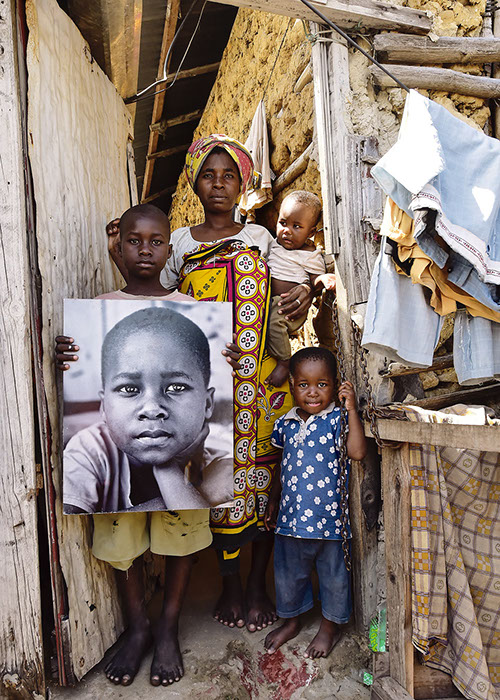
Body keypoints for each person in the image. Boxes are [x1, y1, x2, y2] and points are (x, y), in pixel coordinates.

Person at [105, 135, 315, 633]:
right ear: (195, 183)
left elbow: (286, 293)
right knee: (219, 487)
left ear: (243, 184)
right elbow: (159, 301)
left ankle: (257, 584)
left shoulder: (261, 237)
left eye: (229, 176)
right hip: (211, 388)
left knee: (264, 484)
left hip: (263, 383)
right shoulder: (178, 242)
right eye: (208, 175)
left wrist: (308, 293)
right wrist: (118, 264)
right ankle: (231, 584)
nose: (218, 184)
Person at [56, 203, 241, 687]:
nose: (152, 408)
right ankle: (138, 627)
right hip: (119, 477)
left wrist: (227, 360)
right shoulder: (100, 306)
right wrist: (66, 354)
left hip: (188, 469)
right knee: (122, 541)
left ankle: (167, 627)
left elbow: (216, 482)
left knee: (182, 536)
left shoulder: (191, 310)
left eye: (156, 241)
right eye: (134, 241)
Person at [63, 305, 234, 513]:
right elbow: (70, 531)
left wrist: (166, 470)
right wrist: (201, 492)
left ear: (207, 404)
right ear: (104, 406)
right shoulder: (89, 449)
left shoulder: (223, 472)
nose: (152, 409)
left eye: (176, 387)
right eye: (129, 389)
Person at [263, 347, 367, 658]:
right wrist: (273, 499)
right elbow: (281, 465)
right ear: (292, 385)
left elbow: (358, 452)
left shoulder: (337, 418)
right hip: (291, 520)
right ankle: (292, 621)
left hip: (330, 522)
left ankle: (329, 627)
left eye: (322, 384)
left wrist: (351, 409)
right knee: (288, 575)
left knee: (333, 578)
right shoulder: (285, 423)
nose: (312, 392)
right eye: (304, 384)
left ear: (335, 385)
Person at [265, 191, 336, 388]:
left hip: (290, 305)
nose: (287, 231)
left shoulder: (310, 254)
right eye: (283, 223)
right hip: (270, 302)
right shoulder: (273, 245)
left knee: (274, 324)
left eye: (296, 226)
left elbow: (314, 281)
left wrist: (323, 279)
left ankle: (285, 361)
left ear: (311, 232)